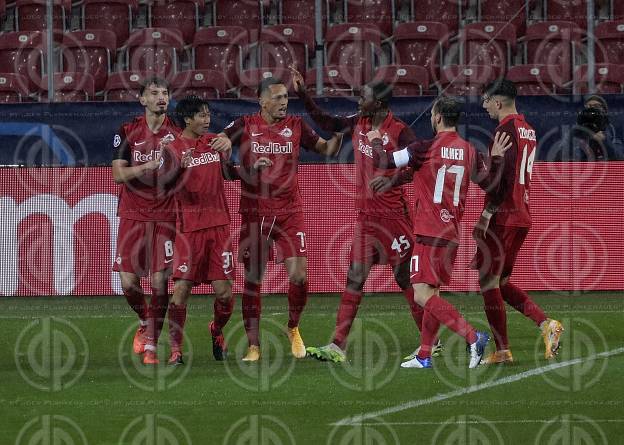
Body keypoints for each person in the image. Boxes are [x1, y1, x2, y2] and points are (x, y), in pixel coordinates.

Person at [289, 67, 432, 363]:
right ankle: (337, 345)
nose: (358, 101)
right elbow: (328, 122)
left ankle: (430, 342)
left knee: (406, 280)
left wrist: (392, 180)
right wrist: (303, 95)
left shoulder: (401, 131)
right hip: (366, 218)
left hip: (394, 216)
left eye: (363, 97)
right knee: (354, 278)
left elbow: (418, 164)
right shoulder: (359, 122)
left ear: (378, 103)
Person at [368, 96, 511, 368]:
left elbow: (383, 160)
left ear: (437, 118)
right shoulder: (469, 150)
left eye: (433, 115)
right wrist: (495, 160)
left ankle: (473, 336)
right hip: (451, 234)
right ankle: (424, 355)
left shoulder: (424, 147)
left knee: (422, 295)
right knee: (432, 294)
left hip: (429, 231)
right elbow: (491, 184)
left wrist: (376, 138)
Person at [221, 77, 343, 361]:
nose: (284, 102)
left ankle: (293, 327)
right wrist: (242, 161)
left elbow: (327, 149)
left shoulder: (297, 126)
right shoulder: (244, 125)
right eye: (277, 98)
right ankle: (254, 345)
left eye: (286, 97)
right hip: (254, 213)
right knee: (253, 279)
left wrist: (339, 132)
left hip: (289, 212)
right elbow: (222, 157)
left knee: (300, 276)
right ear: (262, 101)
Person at [142, 96, 268, 364]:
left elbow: (228, 173)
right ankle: (176, 350)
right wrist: (179, 167)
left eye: (208, 114)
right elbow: (162, 186)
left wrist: (251, 170)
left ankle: (217, 329)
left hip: (219, 228)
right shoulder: (172, 148)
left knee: (225, 294)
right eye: (201, 115)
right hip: (189, 231)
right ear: (187, 119)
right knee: (180, 292)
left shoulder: (215, 143)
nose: (207, 119)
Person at [472, 79, 564, 365]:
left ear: (498, 102)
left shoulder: (504, 131)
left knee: (488, 283)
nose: (484, 106)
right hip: (522, 213)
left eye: (486, 100)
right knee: (502, 281)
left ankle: (502, 350)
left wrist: (488, 212)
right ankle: (545, 324)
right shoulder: (529, 129)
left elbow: (503, 179)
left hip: (504, 215)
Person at [111, 76, 180, 358]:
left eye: (165, 92)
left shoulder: (177, 132)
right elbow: (118, 175)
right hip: (132, 214)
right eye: (154, 93)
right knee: (128, 283)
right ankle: (144, 321)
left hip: (165, 214)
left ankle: (152, 342)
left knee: (159, 282)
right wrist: (146, 166)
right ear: (142, 100)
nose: (161, 97)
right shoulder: (127, 131)